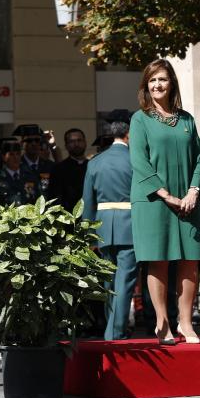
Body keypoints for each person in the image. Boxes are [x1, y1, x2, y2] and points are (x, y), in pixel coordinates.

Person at [130, 58, 200, 346]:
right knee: (158, 261)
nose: (158, 85)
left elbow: (198, 158)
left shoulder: (186, 119)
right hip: (153, 201)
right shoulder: (140, 119)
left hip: (188, 201)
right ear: (146, 86)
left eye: (162, 79)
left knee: (190, 261)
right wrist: (166, 195)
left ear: (171, 82)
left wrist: (193, 191)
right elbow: (139, 162)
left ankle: (185, 322)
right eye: (152, 81)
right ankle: (162, 323)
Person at [82, 110, 137, 340]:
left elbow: (87, 202)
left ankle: (112, 328)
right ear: (128, 133)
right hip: (129, 225)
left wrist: (89, 233)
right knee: (124, 281)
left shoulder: (95, 162)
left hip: (103, 227)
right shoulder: (135, 159)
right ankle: (115, 331)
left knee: (109, 282)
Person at [47, 128, 89, 211]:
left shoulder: (92, 166)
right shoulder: (58, 170)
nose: (76, 144)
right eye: (72, 141)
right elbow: (54, 199)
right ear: (66, 145)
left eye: (79, 140)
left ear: (85, 143)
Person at [0, 137, 40, 207]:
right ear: (4, 157)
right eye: (11, 154)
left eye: (18, 154)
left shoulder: (30, 175)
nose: (15, 157)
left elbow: (40, 199)